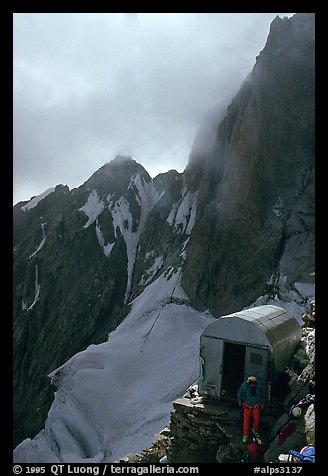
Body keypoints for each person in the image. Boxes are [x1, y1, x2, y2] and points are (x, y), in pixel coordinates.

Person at [237, 376, 265, 443]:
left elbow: (263, 394)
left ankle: (254, 430)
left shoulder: (259, 385)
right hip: (247, 406)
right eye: (251, 384)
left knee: (257, 420)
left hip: (256, 405)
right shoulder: (244, 385)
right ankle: (245, 435)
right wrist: (239, 400)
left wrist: (262, 403)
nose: (252, 385)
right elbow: (239, 392)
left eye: (253, 384)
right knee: (246, 421)